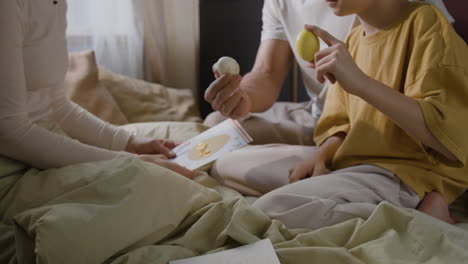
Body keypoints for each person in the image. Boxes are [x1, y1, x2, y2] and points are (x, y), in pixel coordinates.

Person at [203, 0, 462, 226]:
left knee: (270, 209)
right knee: (223, 165)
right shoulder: (353, 39)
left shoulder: (425, 22)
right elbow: (341, 121)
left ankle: (419, 216)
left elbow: (450, 136)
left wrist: (359, 82)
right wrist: (322, 155)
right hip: (351, 160)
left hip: (402, 172)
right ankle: (331, 189)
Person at [0, 0, 195, 179]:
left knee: (189, 138)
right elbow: (9, 132)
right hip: (14, 166)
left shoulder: (56, 4)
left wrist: (130, 143)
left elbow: (57, 106)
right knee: (162, 184)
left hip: (46, 142)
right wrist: (125, 161)